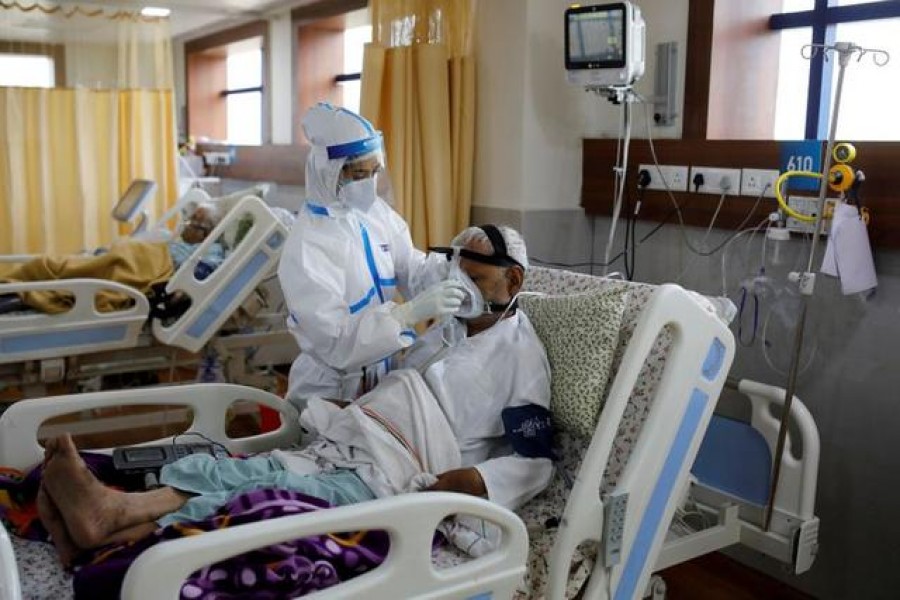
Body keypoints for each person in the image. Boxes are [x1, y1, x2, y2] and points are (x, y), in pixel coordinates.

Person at [37, 224, 553, 567]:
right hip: (357, 443)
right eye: (456, 274)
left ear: (512, 279)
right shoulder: (445, 331)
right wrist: (362, 408)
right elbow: (404, 387)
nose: (462, 286)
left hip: (396, 477)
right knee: (241, 472)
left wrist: (466, 482)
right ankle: (115, 512)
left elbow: (534, 462)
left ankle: (111, 537)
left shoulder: (520, 355)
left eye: (475, 277)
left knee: (270, 497)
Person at [278, 102, 463, 405]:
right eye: (360, 173)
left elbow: (411, 268)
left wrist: (450, 269)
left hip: (383, 372)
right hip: (330, 390)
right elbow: (336, 342)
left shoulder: (375, 214)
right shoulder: (307, 245)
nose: (370, 184)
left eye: (375, 171)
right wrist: (407, 314)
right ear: (330, 172)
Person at [0, 202, 226, 315]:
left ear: (206, 232)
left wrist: (181, 292)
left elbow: (202, 275)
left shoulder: (211, 251)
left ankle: (18, 292)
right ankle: (14, 287)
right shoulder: (177, 241)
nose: (186, 225)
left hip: (144, 268)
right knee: (50, 264)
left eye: (193, 223)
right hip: (132, 258)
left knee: (57, 271)